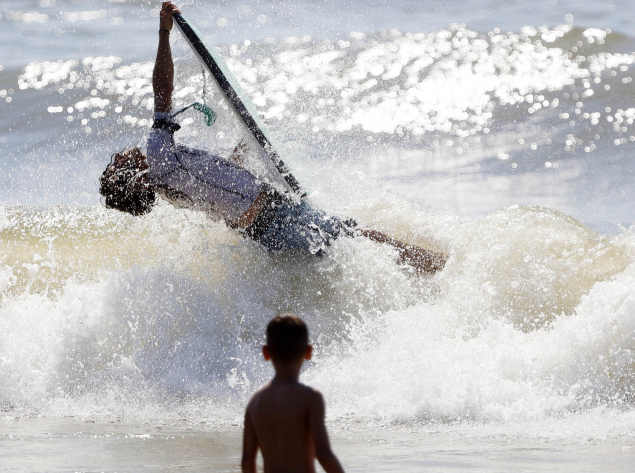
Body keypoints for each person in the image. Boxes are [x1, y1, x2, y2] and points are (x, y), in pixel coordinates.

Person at [99, 2, 446, 273]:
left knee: (345, 251)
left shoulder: (169, 187)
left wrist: (242, 151)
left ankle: (417, 274)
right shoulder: (158, 156)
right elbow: (162, 91)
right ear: (132, 178)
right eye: (118, 164)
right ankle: (436, 267)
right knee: (357, 239)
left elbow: (220, 188)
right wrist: (163, 32)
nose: (119, 156)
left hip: (262, 232)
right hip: (279, 216)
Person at [241, 315, 369, 473]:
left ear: (266, 353)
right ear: (308, 352)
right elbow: (324, 454)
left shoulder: (256, 402)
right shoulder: (310, 398)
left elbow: (247, 462)